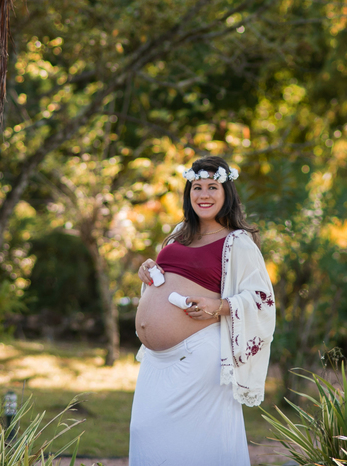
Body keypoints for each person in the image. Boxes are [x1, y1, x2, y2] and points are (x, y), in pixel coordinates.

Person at [129, 155, 276, 466]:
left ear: (226, 193)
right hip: (156, 359)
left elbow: (262, 299)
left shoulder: (238, 242)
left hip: (198, 355)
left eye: (212, 187)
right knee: (145, 432)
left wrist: (218, 306)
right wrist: (148, 272)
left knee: (195, 444)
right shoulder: (179, 233)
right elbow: (167, 280)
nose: (204, 195)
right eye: (197, 187)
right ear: (189, 192)